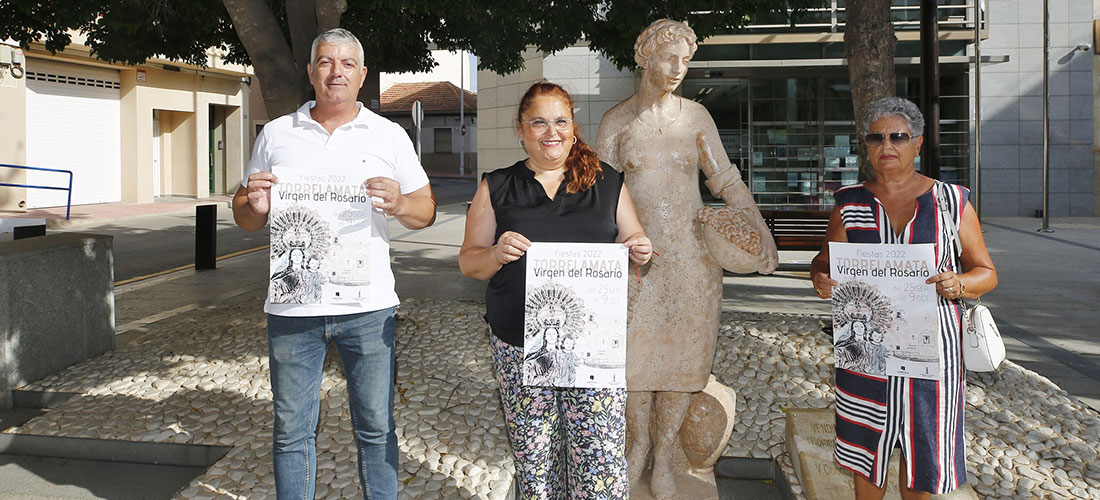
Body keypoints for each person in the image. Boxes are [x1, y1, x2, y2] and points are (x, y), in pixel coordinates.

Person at [232, 28, 436, 500]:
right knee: (290, 432)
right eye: (325, 62)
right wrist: (254, 205)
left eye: (347, 64)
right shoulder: (277, 133)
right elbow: (243, 212)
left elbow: (425, 209)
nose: (336, 72)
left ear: (362, 75)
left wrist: (400, 202)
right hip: (292, 309)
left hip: (368, 308)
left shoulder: (389, 135)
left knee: (376, 427)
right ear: (310, 71)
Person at [595, 19, 777, 497]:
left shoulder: (697, 117)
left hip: (693, 261)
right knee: (634, 361)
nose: (678, 68)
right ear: (644, 57)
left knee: (681, 361)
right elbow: (596, 196)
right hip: (634, 258)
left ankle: (665, 458)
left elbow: (726, 180)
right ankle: (637, 449)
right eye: (668, 57)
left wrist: (759, 231)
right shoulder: (617, 121)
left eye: (686, 60)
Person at [459, 81, 652, 499]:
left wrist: (638, 247)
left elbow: (633, 237)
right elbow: (469, 261)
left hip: (593, 347)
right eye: (539, 122)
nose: (552, 132)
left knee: (599, 460)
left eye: (561, 121)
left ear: (573, 127)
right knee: (536, 460)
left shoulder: (607, 182)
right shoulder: (498, 186)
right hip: (518, 346)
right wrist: (495, 253)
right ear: (521, 129)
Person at [810, 97, 997, 500]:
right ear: (865, 145)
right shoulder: (849, 204)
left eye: (898, 136)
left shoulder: (951, 202)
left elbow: (986, 272)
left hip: (932, 356)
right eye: (876, 137)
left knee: (923, 452)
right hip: (865, 354)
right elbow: (823, 261)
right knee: (865, 446)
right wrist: (821, 277)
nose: (886, 145)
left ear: (918, 143)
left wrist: (958, 284)